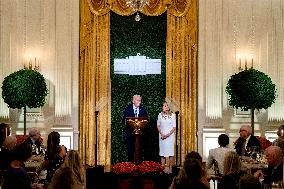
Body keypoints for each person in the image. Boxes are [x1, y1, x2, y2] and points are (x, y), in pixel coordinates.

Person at [123, 95, 148, 162]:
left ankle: (139, 165)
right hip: (130, 134)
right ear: (133, 101)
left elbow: (146, 121)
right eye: (138, 100)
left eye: (140, 100)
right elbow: (124, 120)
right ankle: (130, 166)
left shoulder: (143, 110)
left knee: (139, 150)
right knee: (130, 149)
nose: (139, 102)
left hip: (140, 135)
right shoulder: (127, 109)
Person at [157, 102, 176, 174]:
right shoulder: (160, 115)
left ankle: (170, 168)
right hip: (162, 136)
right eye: (164, 105)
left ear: (169, 107)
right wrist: (162, 134)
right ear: (162, 107)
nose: (165, 107)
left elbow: (174, 127)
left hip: (170, 136)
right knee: (162, 152)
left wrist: (168, 135)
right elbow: (158, 126)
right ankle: (162, 168)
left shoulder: (173, 115)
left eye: (167, 106)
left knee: (170, 152)